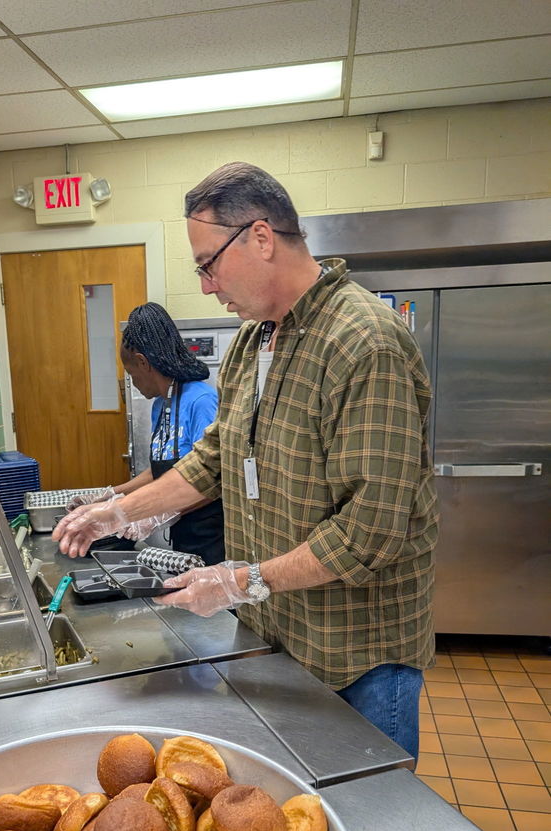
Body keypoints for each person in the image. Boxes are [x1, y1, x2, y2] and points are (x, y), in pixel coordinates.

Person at [55, 162, 438, 759]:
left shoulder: (365, 342)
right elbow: (213, 460)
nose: (206, 285)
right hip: (275, 635)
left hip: (355, 655)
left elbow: (370, 533)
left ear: (261, 238)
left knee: (365, 820)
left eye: (208, 263)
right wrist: (117, 512)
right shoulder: (255, 342)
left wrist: (240, 581)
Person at [67, 302, 225, 565]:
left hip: (212, 536)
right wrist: (111, 494)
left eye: (131, 373)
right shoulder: (160, 405)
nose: (133, 382)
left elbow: (214, 482)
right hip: (182, 536)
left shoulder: (202, 400)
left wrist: (155, 515)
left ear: (143, 362)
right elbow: (160, 470)